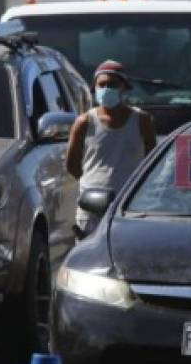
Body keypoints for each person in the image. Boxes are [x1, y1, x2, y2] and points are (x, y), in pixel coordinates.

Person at [66, 60, 156, 237]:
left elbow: (151, 163)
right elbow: (72, 165)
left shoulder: (142, 120)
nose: (107, 89)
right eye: (102, 85)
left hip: (129, 206)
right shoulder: (84, 122)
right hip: (91, 209)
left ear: (123, 87)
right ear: (95, 88)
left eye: (112, 85)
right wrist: (92, 184)